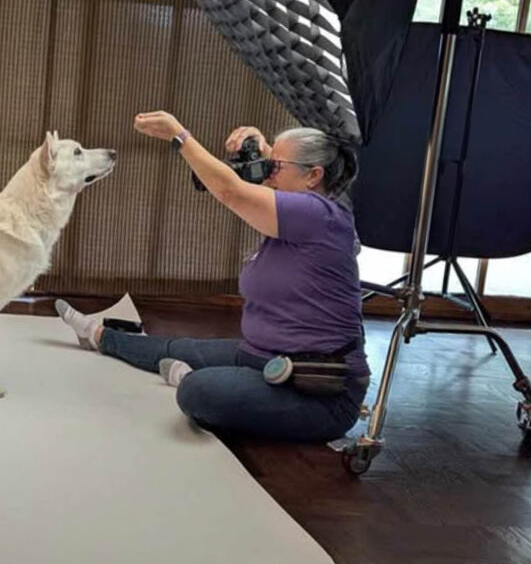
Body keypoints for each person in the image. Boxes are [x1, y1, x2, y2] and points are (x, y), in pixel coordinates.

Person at [56, 112, 369, 443]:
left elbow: (231, 191)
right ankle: (98, 334)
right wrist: (261, 149)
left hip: (317, 392)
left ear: (313, 176)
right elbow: (251, 186)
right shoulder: (294, 215)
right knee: (181, 346)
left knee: (197, 390)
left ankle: (189, 379)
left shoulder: (319, 215)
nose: (266, 172)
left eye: (274, 166)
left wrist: (180, 136)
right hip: (264, 356)